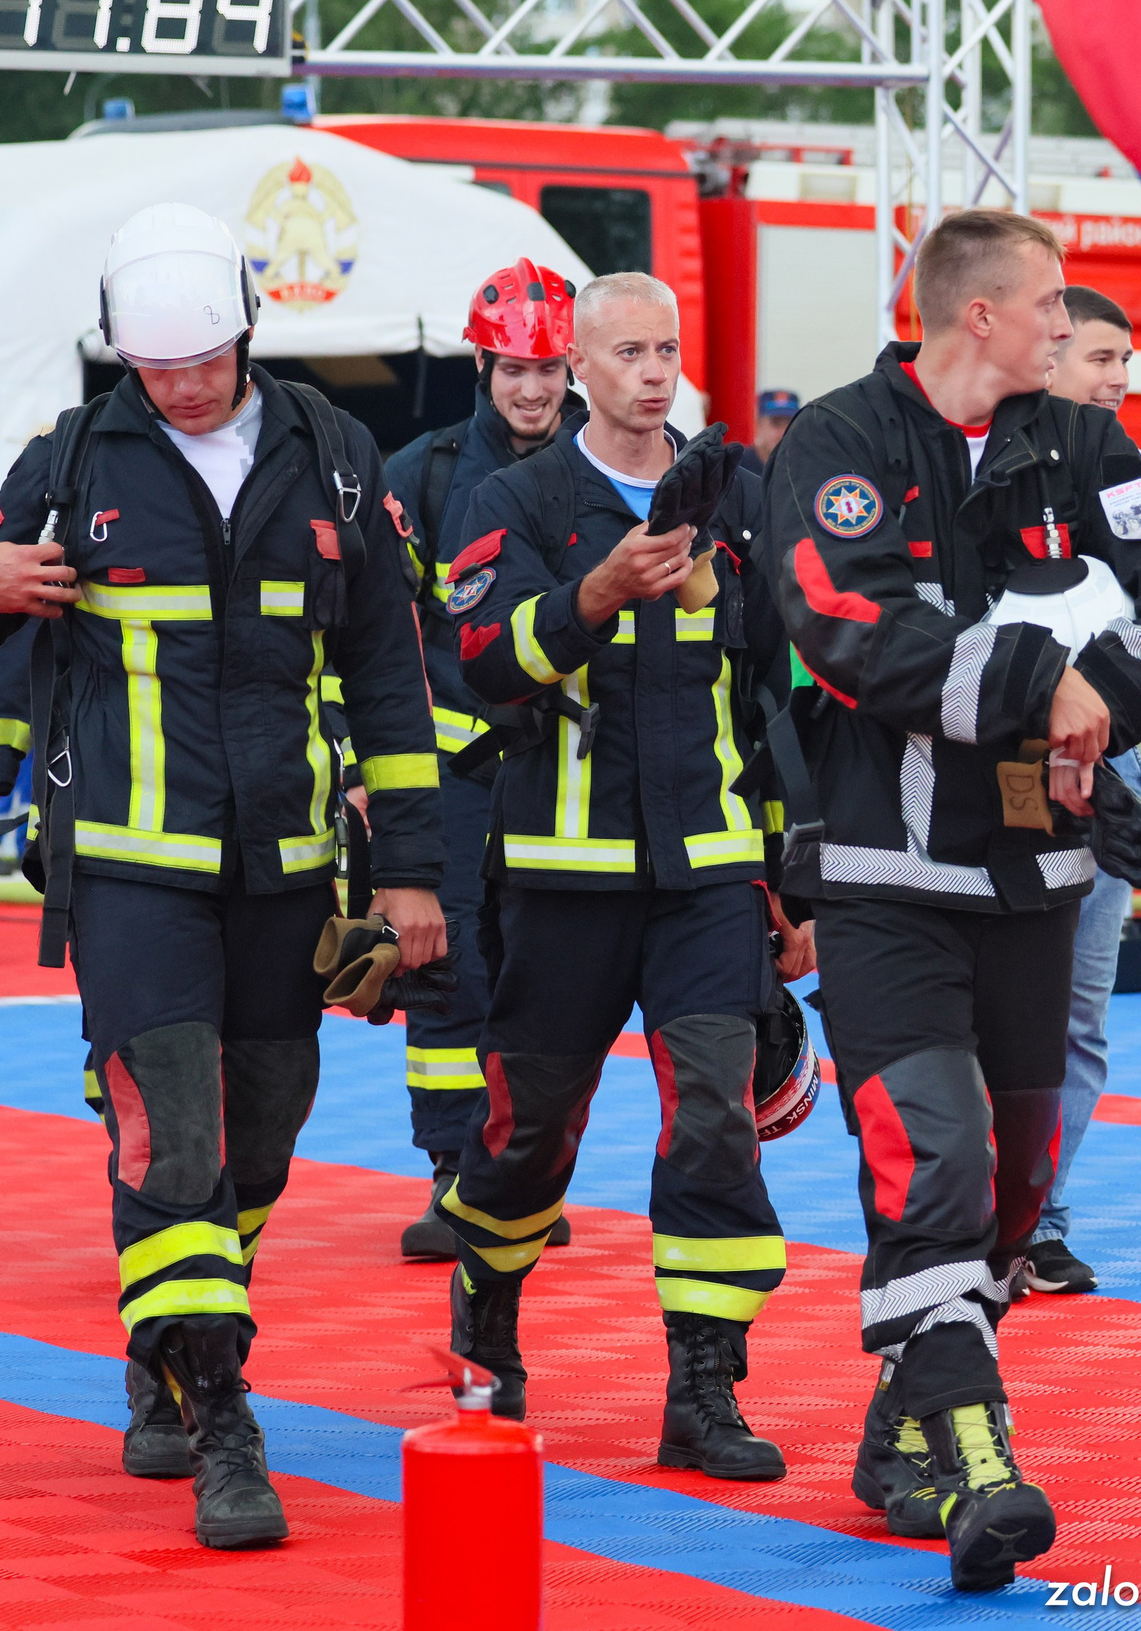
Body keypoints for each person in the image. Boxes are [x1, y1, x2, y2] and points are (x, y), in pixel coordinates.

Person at [0, 203, 446, 1551]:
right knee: (173, 1137)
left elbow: (389, 668)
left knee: (258, 1135)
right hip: (130, 866)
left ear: (248, 331)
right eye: (155, 367)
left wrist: (417, 872)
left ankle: (165, 1342)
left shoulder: (331, 455)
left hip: (289, 869)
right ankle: (225, 1417)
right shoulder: (73, 455)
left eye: (201, 360)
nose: (183, 386)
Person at [767, 208, 1141, 1591]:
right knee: (935, 1155)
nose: (1075, 329)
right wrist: (1046, 684)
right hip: (884, 881)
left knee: (1017, 1191)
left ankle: (901, 1423)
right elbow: (845, 623)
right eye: (1051, 307)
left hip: (1044, 876)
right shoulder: (840, 444)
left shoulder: (1084, 444)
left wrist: (1109, 694)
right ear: (978, 314)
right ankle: (983, 1460)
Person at [438, 272, 809, 1481]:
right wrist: (592, 594)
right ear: (577, 368)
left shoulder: (738, 494)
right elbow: (482, 665)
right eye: (629, 354)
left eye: (668, 352)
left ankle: (703, 1386)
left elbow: (772, 701)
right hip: (560, 878)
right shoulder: (521, 496)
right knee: (527, 1133)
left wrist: (791, 879)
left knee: (714, 1116)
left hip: (707, 875)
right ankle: (486, 1305)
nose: (654, 373)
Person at [379, 258, 586, 1261]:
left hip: (573, 778)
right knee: (447, 975)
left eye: (547, 369)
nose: (532, 389)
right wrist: (365, 777)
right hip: (451, 783)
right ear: (482, 363)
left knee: (547, 979)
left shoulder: (616, 468)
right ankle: (457, 1172)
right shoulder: (417, 475)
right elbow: (369, 638)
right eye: (512, 369)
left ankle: (528, 1177)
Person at [1020, 282, 1141, 1297]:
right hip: (991, 769)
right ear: (1047, 354)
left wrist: (1104, 711)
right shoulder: (982, 471)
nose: (1118, 378)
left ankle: (1043, 1219)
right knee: (1003, 1002)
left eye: (1125, 361)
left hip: (1110, 769)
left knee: (1077, 1009)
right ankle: (972, 1214)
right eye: (1099, 358)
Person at [752, 388, 799, 475]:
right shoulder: (738, 466)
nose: (783, 432)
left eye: (790, 424)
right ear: (759, 425)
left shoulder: (805, 467)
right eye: (776, 423)